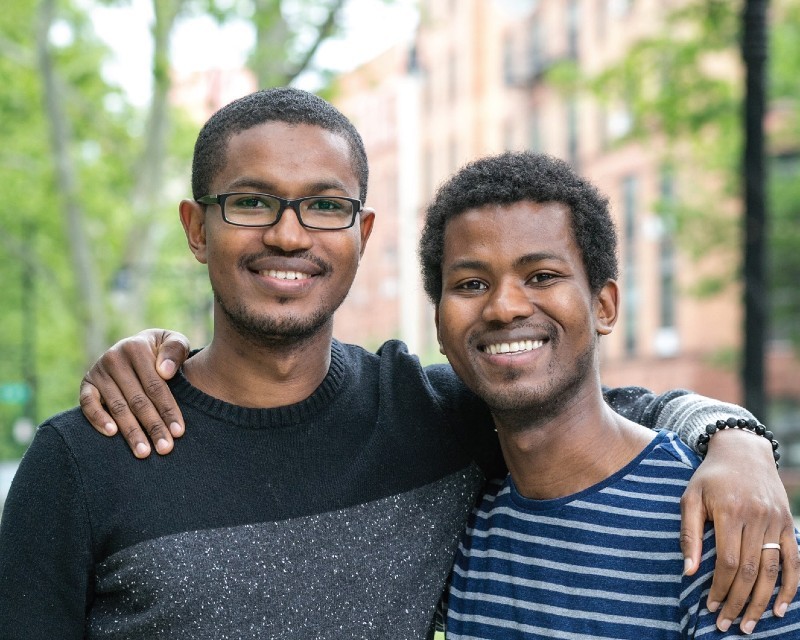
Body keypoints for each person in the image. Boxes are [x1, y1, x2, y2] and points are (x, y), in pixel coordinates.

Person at [0, 88, 793, 638]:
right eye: (250, 201)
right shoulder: (85, 456)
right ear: (197, 229)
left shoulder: (431, 415)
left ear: (361, 232)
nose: (288, 233)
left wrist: (738, 439)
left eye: (324, 205)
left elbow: (585, 404)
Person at [416, 150, 800, 638]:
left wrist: (741, 439)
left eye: (541, 276)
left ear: (604, 306)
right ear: (441, 327)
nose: (505, 307)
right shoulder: (458, 526)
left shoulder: (723, 528)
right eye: (471, 284)